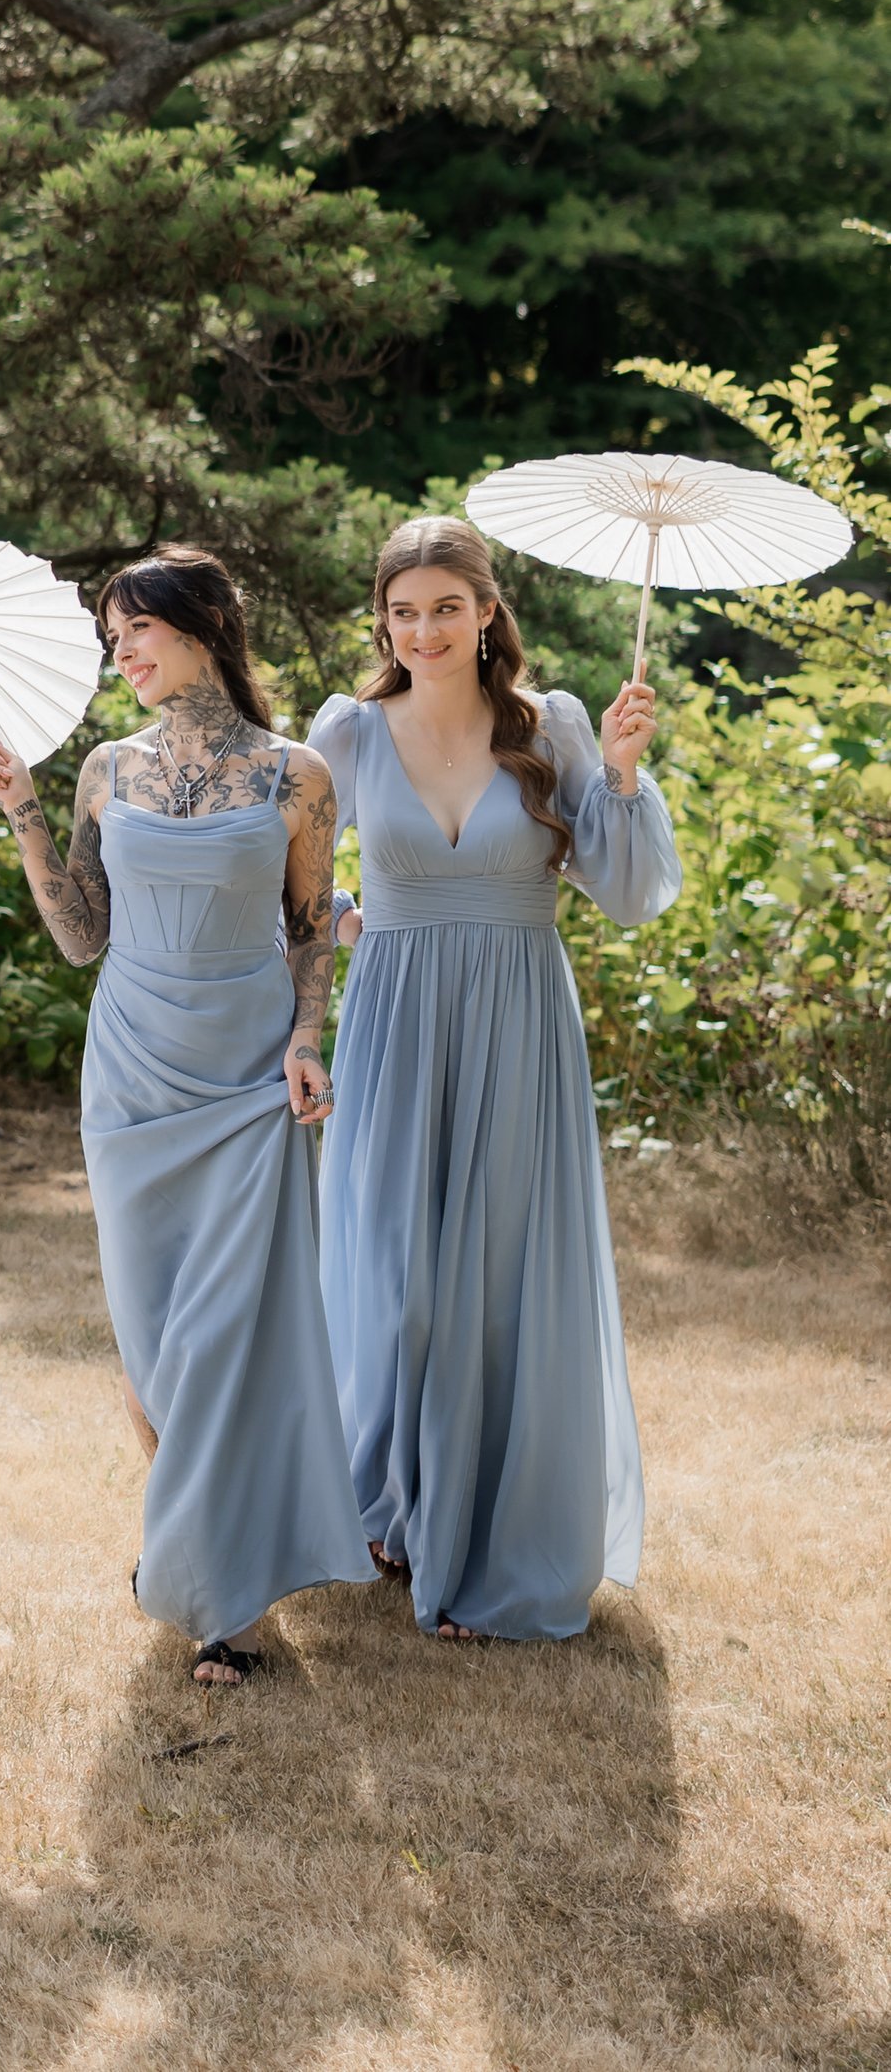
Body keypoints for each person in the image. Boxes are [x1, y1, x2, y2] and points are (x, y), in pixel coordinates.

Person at [0, 544, 371, 1685]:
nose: (122, 654)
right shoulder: (105, 767)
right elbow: (80, 935)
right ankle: (190, 1547)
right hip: (134, 1073)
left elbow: (308, 932)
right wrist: (25, 813)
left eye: (133, 630)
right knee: (152, 1335)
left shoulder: (296, 774)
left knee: (229, 1335)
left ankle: (215, 1597)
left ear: (198, 623)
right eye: (112, 641)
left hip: (247, 1073)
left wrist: (305, 1043)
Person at [308, 514, 676, 1642]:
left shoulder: (554, 724)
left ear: (486, 613)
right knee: (400, 1276)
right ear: (383, 620)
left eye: (446, 608)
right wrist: (324, 943)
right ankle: (398, 1501)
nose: (422, 630)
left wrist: (618, 775)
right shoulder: (349, 733)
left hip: (518, 1020)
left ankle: (498, 1545)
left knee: (506, 1281)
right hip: (393, 1023)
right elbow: (281, 882)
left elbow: (625, 893)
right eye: (402, 611)